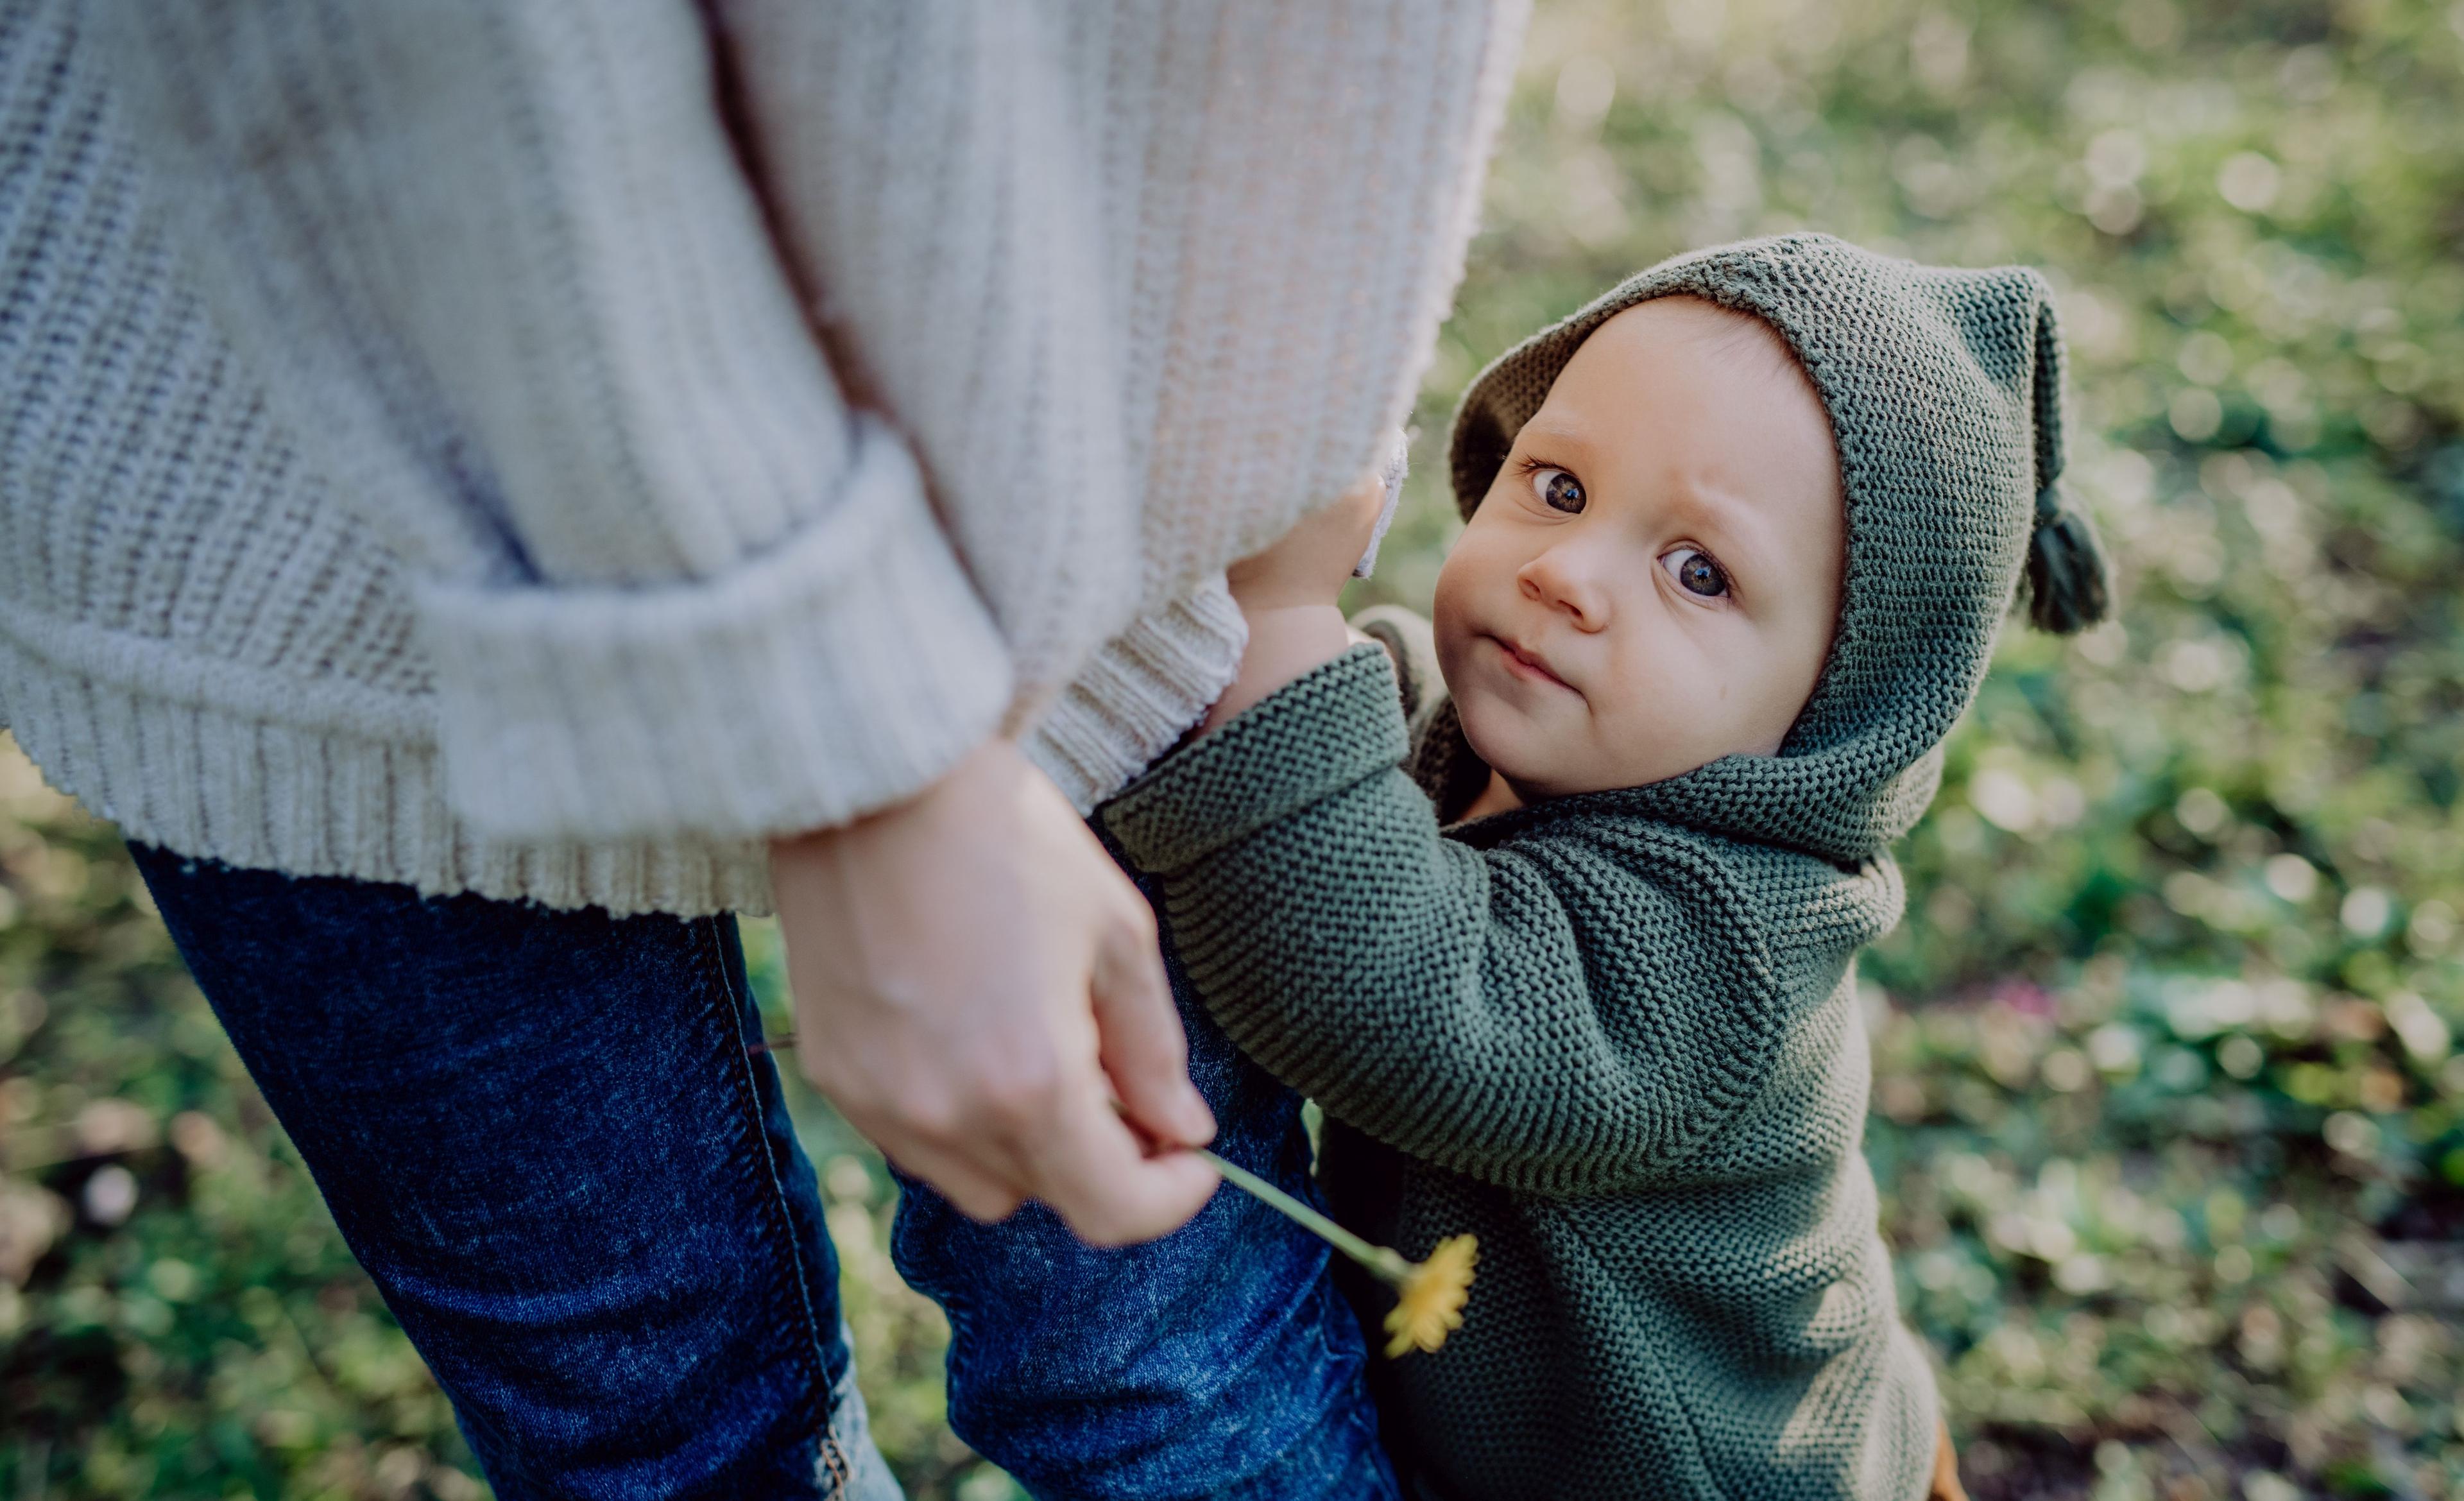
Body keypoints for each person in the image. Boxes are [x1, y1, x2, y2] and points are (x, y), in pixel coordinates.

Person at [0, 1, 1526, 1494]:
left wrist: (1289, 440)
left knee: (1163, 1360)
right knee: (658, 1422)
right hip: (331, 567)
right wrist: (864, 756)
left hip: (1082, 513)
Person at [922, 234, 2105, 1500]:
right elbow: (1355, 758)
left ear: (1831, 721)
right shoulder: (1517, 742)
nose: (1568, 575)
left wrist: (1280, 622)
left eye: (1698, 571)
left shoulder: (1725, 950)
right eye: (1557, 484)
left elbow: (1386, 992)